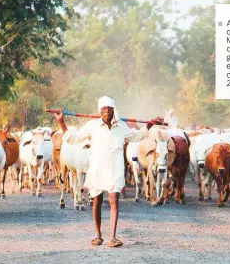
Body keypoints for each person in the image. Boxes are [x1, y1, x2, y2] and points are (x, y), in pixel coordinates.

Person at [53, 96, 163, 248]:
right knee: (97, 201)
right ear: (100, 111)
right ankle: (98, 235)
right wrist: (61, 122)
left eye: (109, 109)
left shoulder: (121, 126)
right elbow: (74, 139)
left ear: (113, 111)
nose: (107, 112)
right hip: (97, 168)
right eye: (104, 109)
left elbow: (136, 136)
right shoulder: (92, 126)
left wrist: (150, 125)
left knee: (114, 200)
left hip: (115, 168)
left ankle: (113, 237)